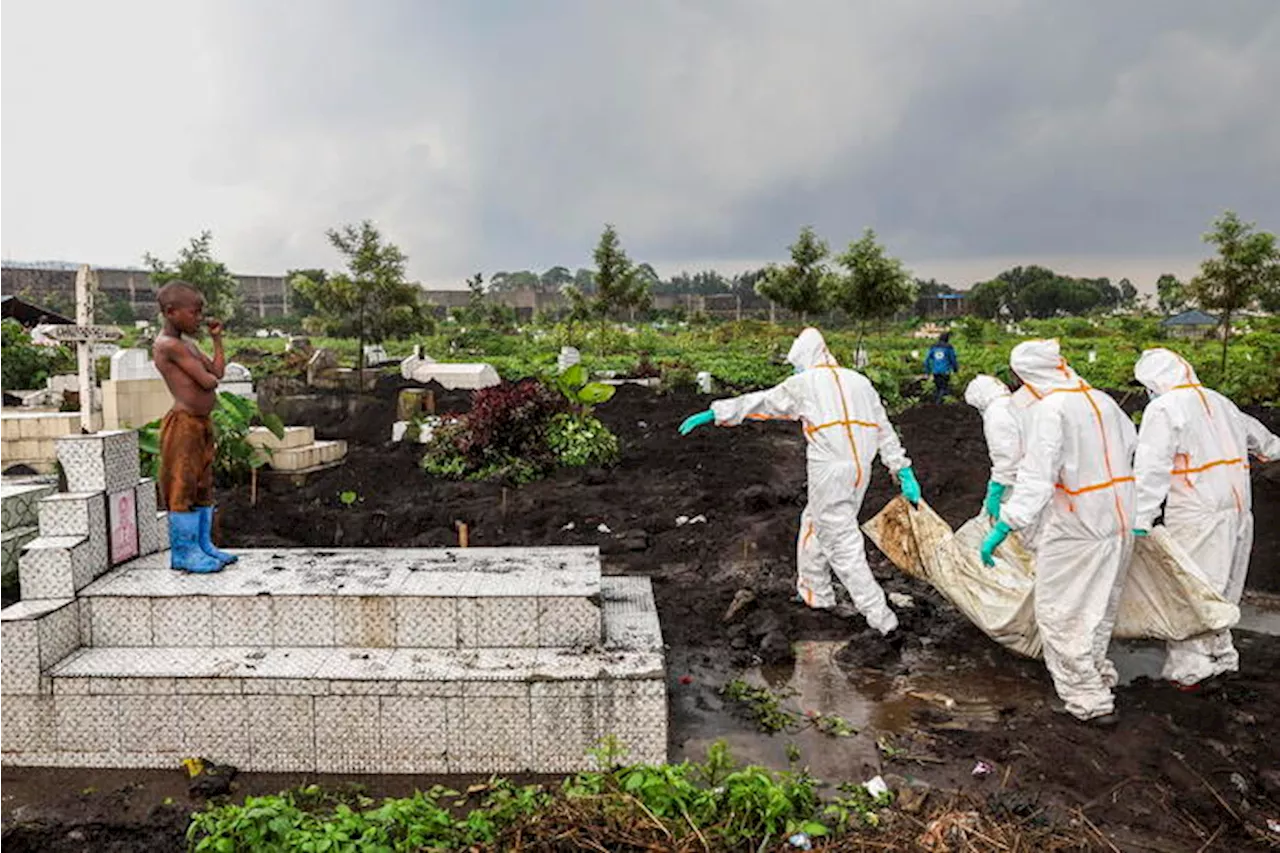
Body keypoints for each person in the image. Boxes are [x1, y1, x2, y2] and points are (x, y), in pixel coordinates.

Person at [679, 327, 921, 639]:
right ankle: (815, 595)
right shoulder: (860, 382)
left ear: (804, 358)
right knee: (814, 522)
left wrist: (715, 412)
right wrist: (902, 471)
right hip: (862, 469)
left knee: (841, 544)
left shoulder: (806, 383)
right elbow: (884, 429)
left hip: (831, 470)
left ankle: (882, 620)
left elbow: (762, 403)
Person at [980, 340, 1136, 725]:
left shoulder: (1053, 409)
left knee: (1060, 612)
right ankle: (1097, 676)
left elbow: (1036, 480)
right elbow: (1132, 445)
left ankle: (1088, 701)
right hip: (1118, 518)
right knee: (1098, 608)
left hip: (1077, 524)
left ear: (1027, 375)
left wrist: (1005, 524)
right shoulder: (1101, 400)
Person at [1131, 348, 1280, 689]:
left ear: (1154, 382)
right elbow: (1264, 443)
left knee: (1192, 589)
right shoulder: (1220, 402)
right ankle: (1222, 655)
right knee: (1225, 586)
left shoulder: (1164, 408)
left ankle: (1190, 670)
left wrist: (1141, 518)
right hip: (1238, 509)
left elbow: (1152, 469)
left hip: (1197, 512)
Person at [153, 281, 237, 573]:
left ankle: (203, 546)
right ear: (171, 312)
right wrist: (207, 374)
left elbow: (217, 371)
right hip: (183, 424)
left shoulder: (187, 345)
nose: (199, 319)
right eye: (195, 313)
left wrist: (217, 340)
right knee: (182, 484)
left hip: (201, 423)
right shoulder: (168, 345)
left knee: (203, 484)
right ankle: (184, 552)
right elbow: (207, 381)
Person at [964, 375, 1022, 520]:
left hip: (1018, 482)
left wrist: (996, 491)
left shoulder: (997, 414)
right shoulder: (1014, 403)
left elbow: (1007, 459)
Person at [924, 332, 959, 403]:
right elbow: (953, 360)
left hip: (935, 372)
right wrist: (955, 369)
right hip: (945, 372)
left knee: (938, 388)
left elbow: (927, 360)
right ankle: (938, 404)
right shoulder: (949, 347)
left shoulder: (933, 347)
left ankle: (936, 404)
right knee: (944, 388)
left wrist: (928, 371)